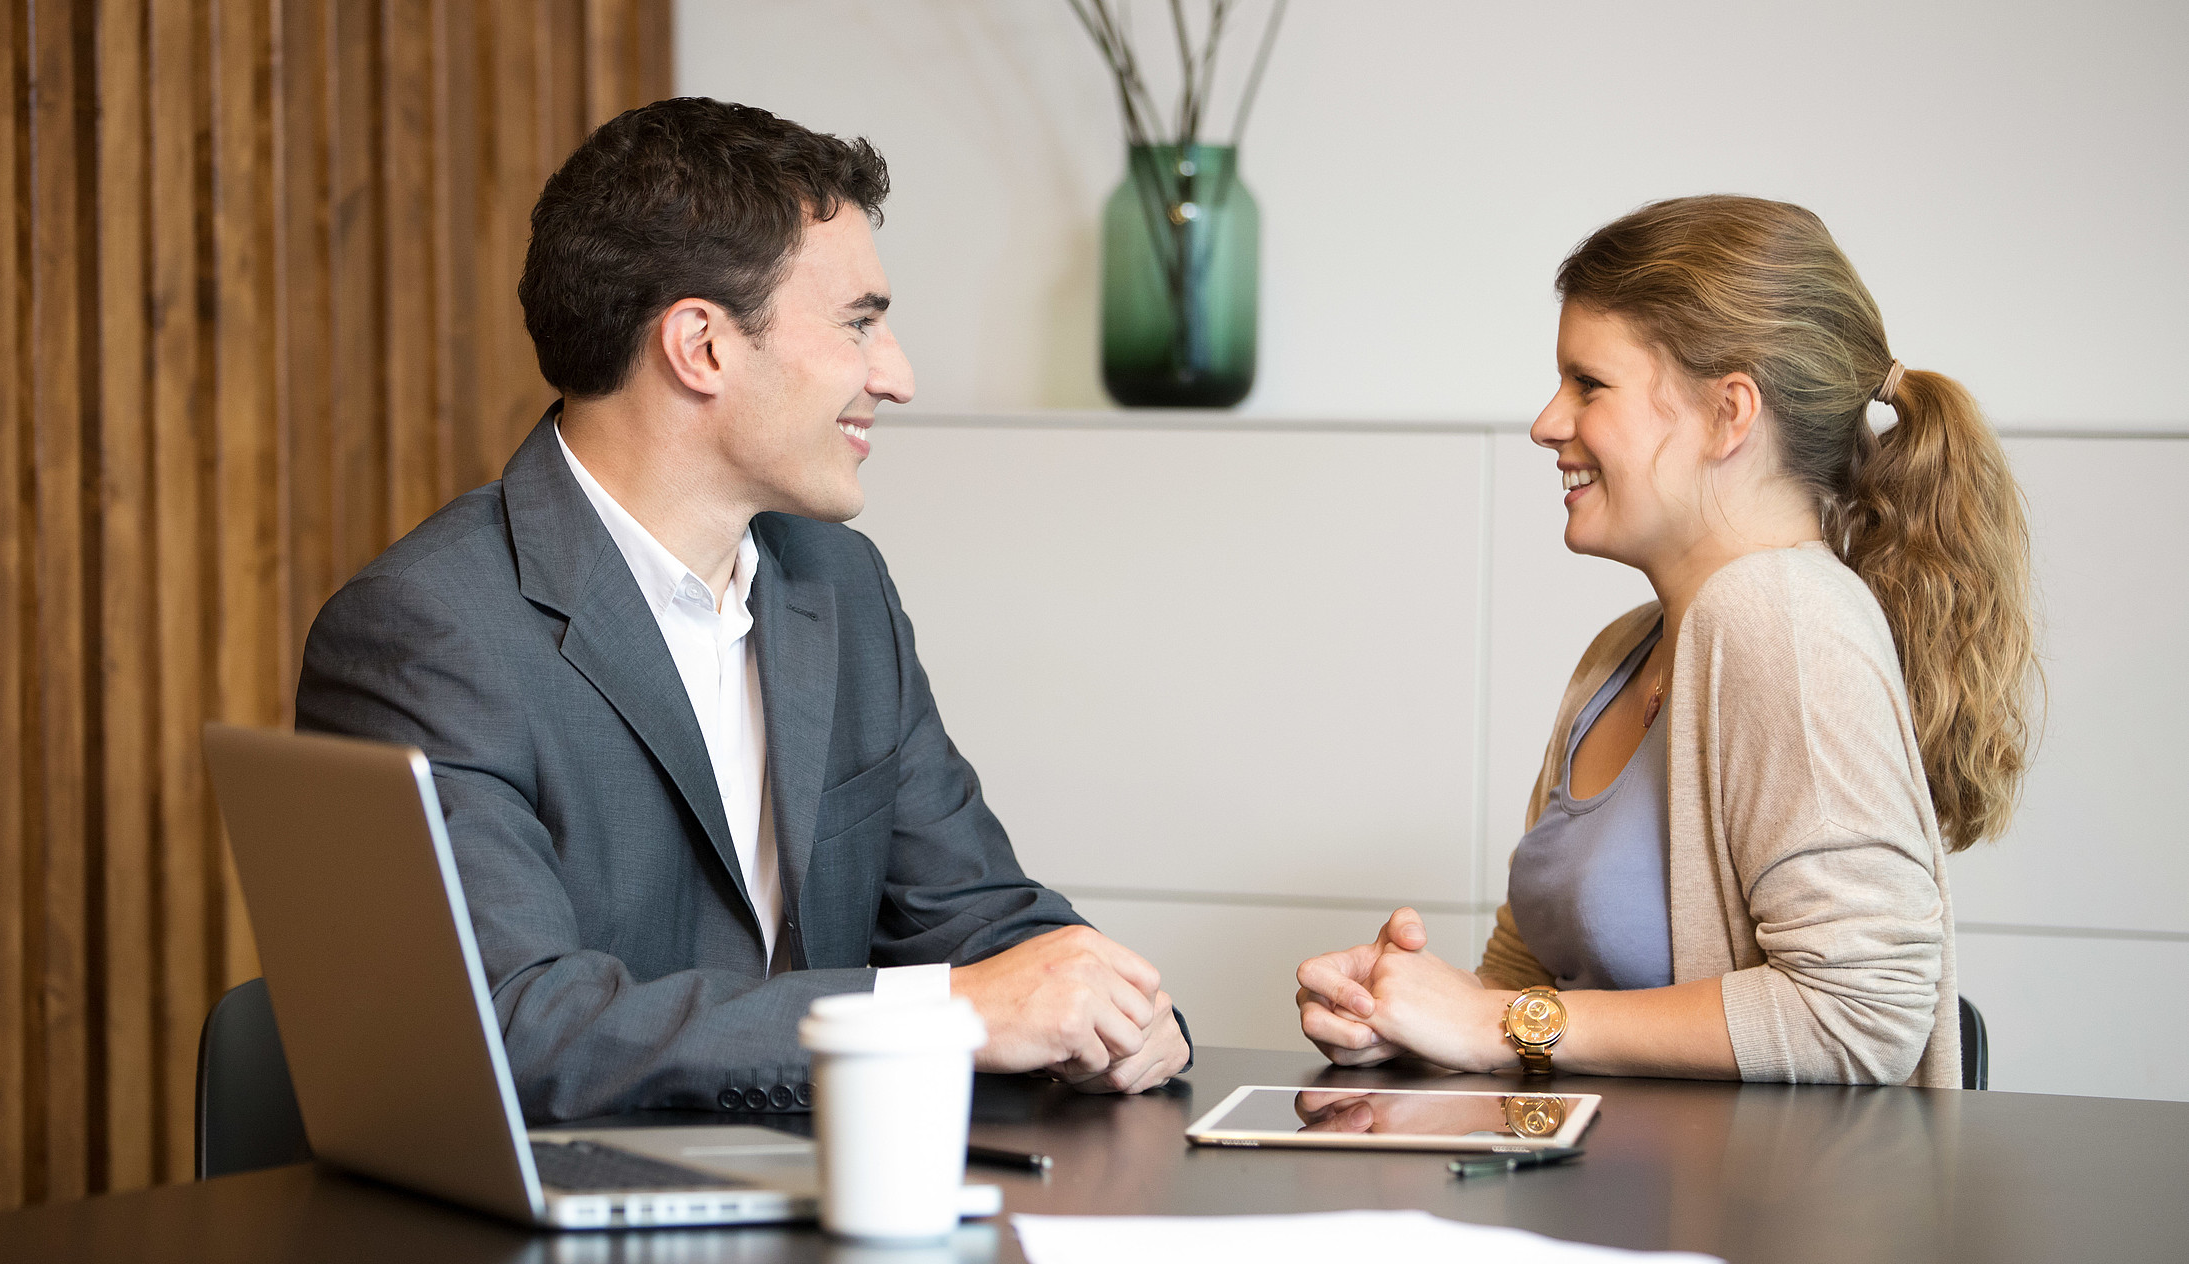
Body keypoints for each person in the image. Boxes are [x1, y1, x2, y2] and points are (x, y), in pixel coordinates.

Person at [295, 97, 1189, 1123]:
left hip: (836, 1185)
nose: (896, 376)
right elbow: (511, 1023)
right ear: (703, 346)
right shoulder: (426, 630)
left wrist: (1119, 1012)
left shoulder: (838, 585)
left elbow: (978, 922)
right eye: (859, 323)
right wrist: (943, 1012)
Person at [1294, 195, 2036, 1087]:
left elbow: (1864, 1011)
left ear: (1729, 414)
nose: (1547, 422)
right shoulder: (1621, 655)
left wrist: (1494, 1022)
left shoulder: (1783, 616)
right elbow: (1534, 992)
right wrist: (1414, 1015)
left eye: (1589, 384)